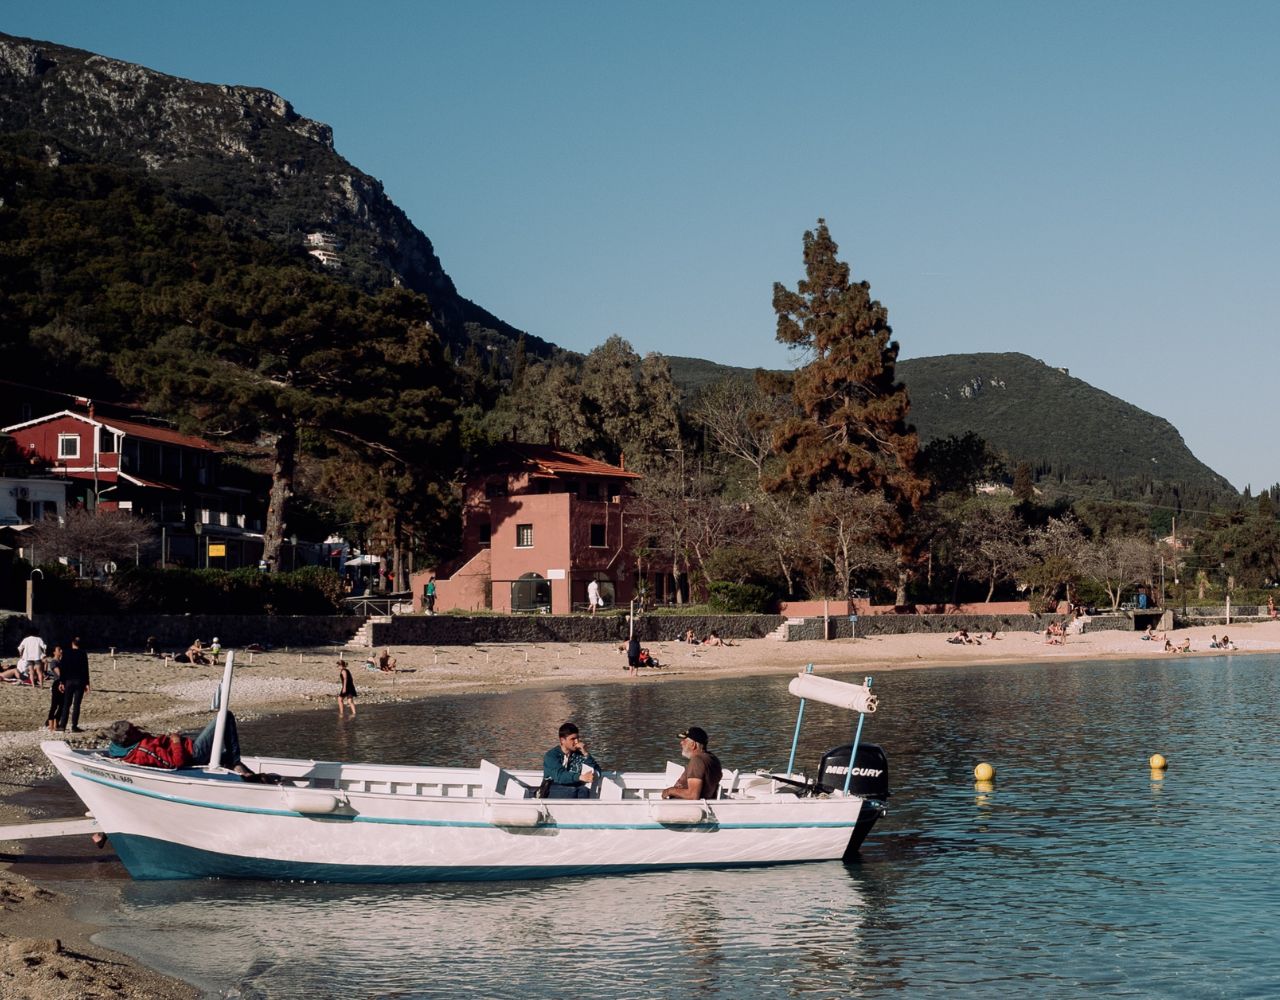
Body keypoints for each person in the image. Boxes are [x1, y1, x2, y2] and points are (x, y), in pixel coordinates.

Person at [106, 713, 270, 780]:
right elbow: (175, 763)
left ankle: (250, 777)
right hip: (194, 754)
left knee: (225, 757)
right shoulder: (142, 751)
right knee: (225, 715)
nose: (136, 728)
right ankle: (236, 763)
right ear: (128, 737)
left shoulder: (119, 747)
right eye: (133, 729)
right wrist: (176, 741)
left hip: (188, 747)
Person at [662, 726, 722, 800]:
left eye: (685, 740)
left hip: (685, 808)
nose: (681, 743)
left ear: (693, 744)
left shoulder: (697, 761)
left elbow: (693, 795)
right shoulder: (713, 759)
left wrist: (670, 791)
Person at [541, 721, 599, 798]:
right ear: (562, 740)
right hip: (551, 787)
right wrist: (580, 777)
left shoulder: (579, 753)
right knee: (572, 791)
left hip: (573, 786)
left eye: (577, 738)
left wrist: (586, 754)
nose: (577, 741)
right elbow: (560, 776)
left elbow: (597, 770)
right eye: (573, 739)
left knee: (584, 790)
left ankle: (582, 810)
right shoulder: (551, 756)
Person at [55, 636, 90, 733]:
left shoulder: (66, 653)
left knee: (66, 704)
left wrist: (61, 681)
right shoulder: (83, 653)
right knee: (77, 704)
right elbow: (85, 669)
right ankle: (74, 726)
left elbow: (63, 668)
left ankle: (62, 725)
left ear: (72, 643)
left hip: (69, 681)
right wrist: (87, 683)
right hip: (80, 681)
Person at [45, 645, 65, 732]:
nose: (61, 651)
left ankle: (56, 723)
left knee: (62, 705)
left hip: (64, 683)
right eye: (59, 650)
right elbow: (59, 673)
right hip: (57, 683)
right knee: (54, 705)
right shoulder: (54, 662)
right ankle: (50, 725)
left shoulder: (62, 661)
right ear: (54, 652)